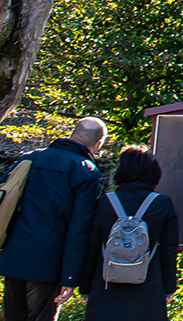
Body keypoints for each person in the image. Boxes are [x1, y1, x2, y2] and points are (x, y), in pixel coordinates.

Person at [0, 117, 105, 321]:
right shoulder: (86, 171)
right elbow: (79, 227)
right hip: (49, 263)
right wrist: (70, 276)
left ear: (72, 133)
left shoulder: (31, 159)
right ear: (98, 143)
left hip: (15, 255)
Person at [79, 146, 177, 321]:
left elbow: (91, 248)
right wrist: (169, 288)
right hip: (148, 286)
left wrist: (85, 288)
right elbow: (168, 250)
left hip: (106, 286)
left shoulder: (104, 203)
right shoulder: (162, 203)